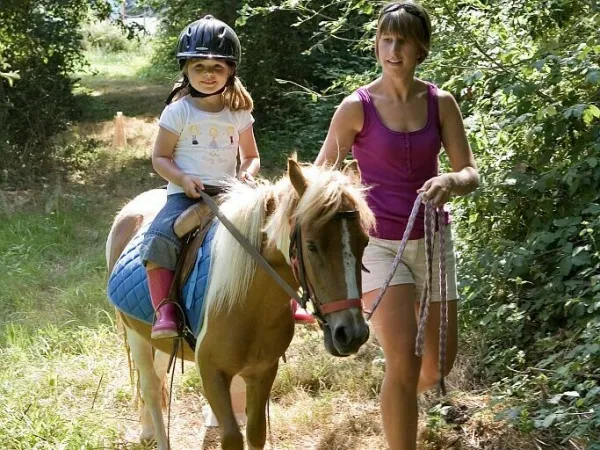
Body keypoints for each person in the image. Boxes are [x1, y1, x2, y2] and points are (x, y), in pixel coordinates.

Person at [314, 2, 479, 449]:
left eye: (402, 40)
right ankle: (400, 423)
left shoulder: (441, 102)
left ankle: (394, 402)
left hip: (433, 240)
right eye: (386, 39)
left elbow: (470, 173)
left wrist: (450, 179)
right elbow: (320, 176)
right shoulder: (356, 106)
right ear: (376, 45)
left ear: (420, 48)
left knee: (437, 365)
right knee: (404, 365)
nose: (393, 49)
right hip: (378, 246)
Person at [140, 15, 260, 339]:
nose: (209, 75)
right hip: (184, 194)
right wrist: (182, 179)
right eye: (200, 67)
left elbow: (251, 157)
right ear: (186, 70)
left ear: (230, 70)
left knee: (270, 231)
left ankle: (287, 305)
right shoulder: (178, 111)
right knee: (159, 240)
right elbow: (160, 157)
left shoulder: (238, 112)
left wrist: (246, 175)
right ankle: (165, 311)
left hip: (229, 191)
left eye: (217, 67)